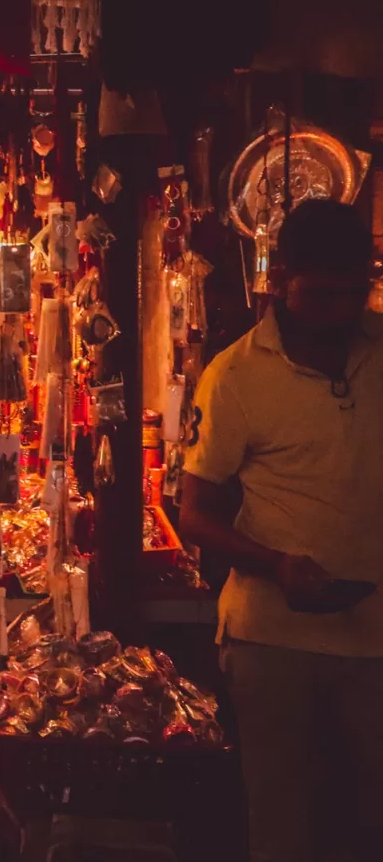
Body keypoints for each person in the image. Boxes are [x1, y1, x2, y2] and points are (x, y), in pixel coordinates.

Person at [181, 199, 383, 862]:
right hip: (273, 641)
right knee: (283, 828)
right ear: (279, 280)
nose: (341, 310)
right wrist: (275, 564)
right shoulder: (235, 375)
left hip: (375, 641)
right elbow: (196, 514)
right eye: (322, 294)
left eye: (356, 292)